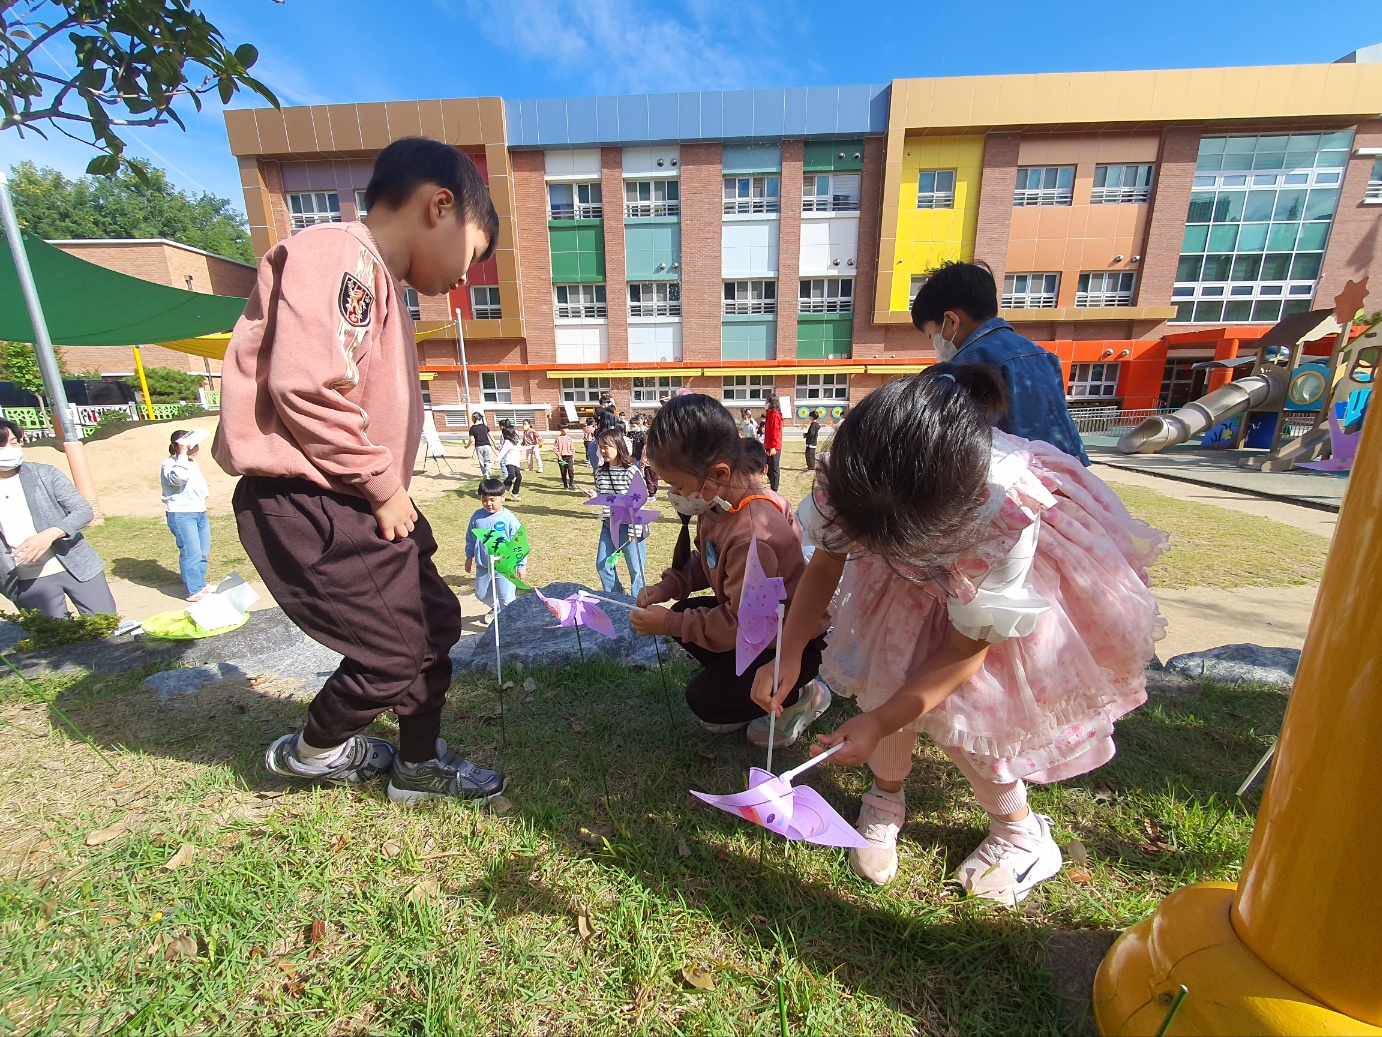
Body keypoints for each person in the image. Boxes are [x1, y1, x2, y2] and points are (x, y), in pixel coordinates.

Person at [753, 365, 1165, 900]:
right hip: (911, 584)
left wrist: (877, 721)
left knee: (972, 715)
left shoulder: (1002, 516)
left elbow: (963, 652)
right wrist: (789, 653)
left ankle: (1019, 832)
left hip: (983, 597)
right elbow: (827, 564)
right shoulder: (859, 476)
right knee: (888, 676)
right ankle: (886, 791)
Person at [213, 136, 506, 805]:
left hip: (358, 495)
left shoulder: (377, 281)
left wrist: (382, 489)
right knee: (392, 651)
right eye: (473, 253)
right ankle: (312, 752)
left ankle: (418, 764)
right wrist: (379, 482)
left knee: (433, 621)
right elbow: (307, 387)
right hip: (311, 496)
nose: (467, 278)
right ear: (440, 206)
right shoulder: (339, 254)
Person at [630, 394, 831, 746]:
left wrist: (667, 624)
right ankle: (745, 687)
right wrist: (668, 587)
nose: (675, 495)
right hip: (762, 624)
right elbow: (707, 558)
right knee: (682, 613)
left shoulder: (754, 535)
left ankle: (800, 694)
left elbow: (746, 626)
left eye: (678, 486)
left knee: (705, 701)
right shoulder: (719, 504)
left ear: (718, 473)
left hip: (791, 641)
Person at [912, 261, 1089, 464]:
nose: (934, 344)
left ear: (951, 321)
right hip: (1064, 475)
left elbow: (962, 443)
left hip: (1014, 480)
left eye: (931, 335)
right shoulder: (1043, 355)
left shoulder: (969, 365)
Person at [0, 419, 117, 619]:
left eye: (14, 442)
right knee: (55, 641)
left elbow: (82, 510)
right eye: (2, 445)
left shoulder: (44, 473)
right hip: (27, 578)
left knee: (106, 626)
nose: (10, 449)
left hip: (77, 565)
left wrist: (50, 534)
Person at [584, 428, 648, 596]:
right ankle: (617, 597)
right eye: (600, 447)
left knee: (636, 570)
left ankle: (638, 605)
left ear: (619, 446)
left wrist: (635, 530)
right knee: (603, 564)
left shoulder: (631, 471)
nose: (603, 451)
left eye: (607, 447)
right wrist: (595, 495)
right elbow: (606, 495)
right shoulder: (600, 473)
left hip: (630, 525)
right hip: (609, 524)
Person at [465, 478, 527, 625]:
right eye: (484, 500)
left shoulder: (509, 519)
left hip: (505, 565)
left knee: (507, 598)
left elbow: (519, 543)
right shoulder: (477, 517)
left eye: (493, 499)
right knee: (481, 594)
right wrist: (469, 556)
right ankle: (496, 606)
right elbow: (470, 537)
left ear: (503, 497)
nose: (488, 503)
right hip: (483, 565)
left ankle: (510, 627)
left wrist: (521, 565)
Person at [161, 429, 212, 601]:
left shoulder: (192, 464)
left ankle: (201, 584)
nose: (196, 448)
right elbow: (178, 479)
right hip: (181, 512)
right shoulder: (170, 464)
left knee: (202, 550)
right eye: (191, 445)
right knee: (191, 552)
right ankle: (193, 590)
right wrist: (181, 453)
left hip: (199, 510)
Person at [762, 393, 784, 492]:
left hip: (774, 446)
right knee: (768, 467)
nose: (765, 403)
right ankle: (772, 485)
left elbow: (775, 432)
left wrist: (773, 446)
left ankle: (775, 489)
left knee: (774, 468)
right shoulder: (769, 414)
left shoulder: (775, 415)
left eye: (767, 401)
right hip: (768, 445)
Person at [496, 424, 523, 501]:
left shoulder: (515, 442)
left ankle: (515, 492)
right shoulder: (507, 442)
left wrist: (532, 446)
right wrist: (498, 459)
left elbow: (521, 448)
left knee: (519, 477)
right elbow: (503, 451)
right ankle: (501, 490)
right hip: (509, 462)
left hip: (515, 463)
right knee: (512, 475)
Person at [468, 411, 494, 478]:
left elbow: (471, 439)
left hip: (478, 446)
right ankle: (487, 474)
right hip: (487, 445)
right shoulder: (484, 426)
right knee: (488, 460)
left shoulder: (472, 428)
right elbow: (491, 435)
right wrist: (495, 444)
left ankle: (485, 473)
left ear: (474, 418)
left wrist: (467, 446)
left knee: (481, 461)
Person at [553, 423, 576, 490]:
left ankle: (571, 483)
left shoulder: (569, 438)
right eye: (565, 428)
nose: (567, 430)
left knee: (570, 470)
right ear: (561, 429)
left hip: (569, 457)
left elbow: (572, 448)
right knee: (563, 471)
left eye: (567, 428)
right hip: (562, 458)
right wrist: (559, 455)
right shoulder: (558, 438)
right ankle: (565, 484)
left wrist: (573, 457)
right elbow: (555, 448)